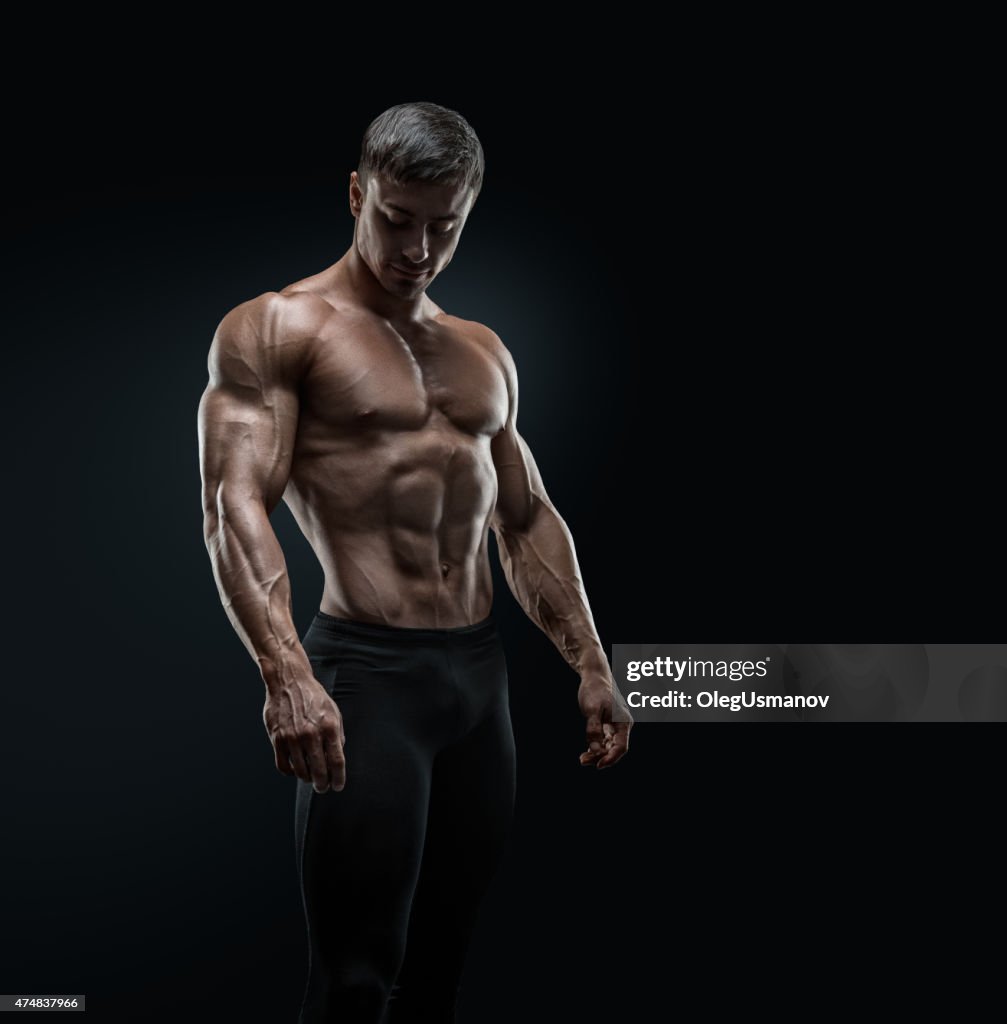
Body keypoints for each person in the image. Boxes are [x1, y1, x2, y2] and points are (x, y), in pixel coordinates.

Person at [197, 100, 633, 1023]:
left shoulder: (483, 351)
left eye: (445, 226)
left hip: (478, 684)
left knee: (442, 975)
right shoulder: (277, 329)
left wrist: (590, 659)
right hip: (367, 682)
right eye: (396, 219)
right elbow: (233, 507)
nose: (418, 248)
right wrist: (287, 674)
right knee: (356, 980)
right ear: (357, 193)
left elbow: (525, 516)